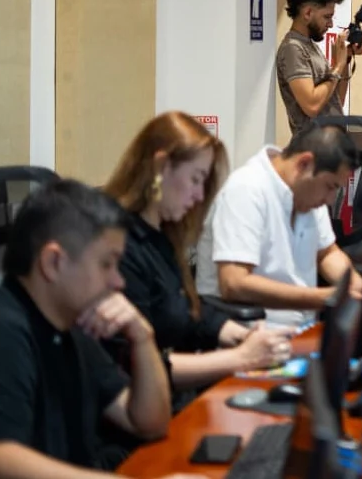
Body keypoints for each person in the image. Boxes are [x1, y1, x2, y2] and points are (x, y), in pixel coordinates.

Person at [0, 180, 199, 479]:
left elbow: (149, 422)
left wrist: (143, 337)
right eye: (107, 264)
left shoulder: (71, 327)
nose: (119, 281)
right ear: (53, 262)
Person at [104, 112, 292, 407]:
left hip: (175, 402)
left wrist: (238, 335)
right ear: (161, 166)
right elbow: (134, 366)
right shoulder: (118, 249)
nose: (199, 195)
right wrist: (240, 358)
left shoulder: (162, 236)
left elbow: (183, 311)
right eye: (195, 179)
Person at [194, 123, 362, 327]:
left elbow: (327, 253)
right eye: (330, 187)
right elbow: (234, 283)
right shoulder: (246, 190)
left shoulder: (308, 193)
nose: (330, 199)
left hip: (301, 328)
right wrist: (324, 298)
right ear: (304, 164)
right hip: (250, 335)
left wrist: (355, 285)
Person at [276, 0, 362, 135]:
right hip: (312, 148)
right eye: (327, 17)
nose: (331, 24)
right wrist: (338, 65)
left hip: (331, 144)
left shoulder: (310, 46)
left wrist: (345, 58)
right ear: (307, 13)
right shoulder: (292, 48)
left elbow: (336, 101)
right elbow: (312, 106)